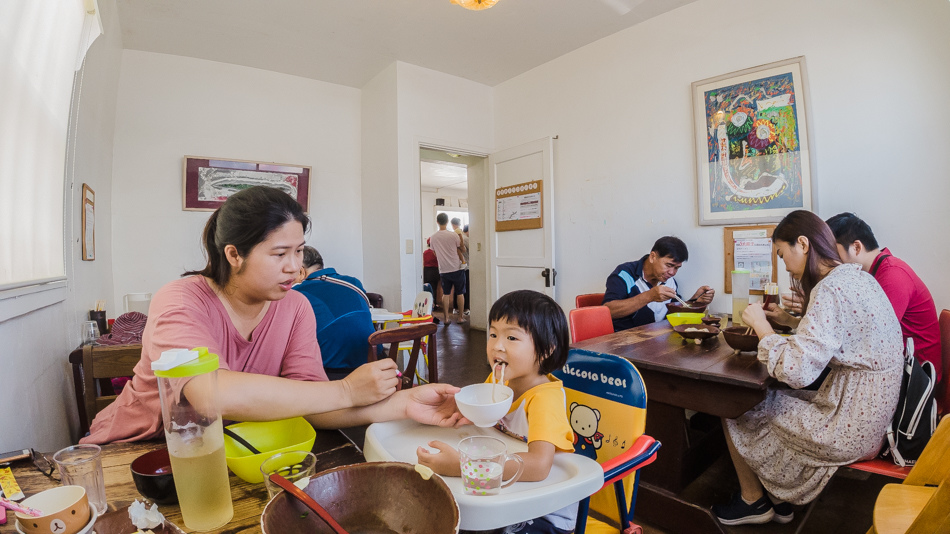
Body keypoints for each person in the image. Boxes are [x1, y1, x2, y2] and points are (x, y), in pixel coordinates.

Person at [81, 186, 465, 444]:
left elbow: (312, 404)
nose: (295, 268)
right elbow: (207, 395)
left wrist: (405, 403)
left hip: (232, 451)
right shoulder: (182, 300)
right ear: (234, 255)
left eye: (300, 252)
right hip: (141, 451)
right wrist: (346, 388)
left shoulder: (295, 306)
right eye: (280, 254)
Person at [712, 210, 903, 526]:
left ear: (802, 243)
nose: (784, 263)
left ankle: (752, 502)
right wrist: (788, 322)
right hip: (872, 419)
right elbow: (835, 338)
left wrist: (761, 326)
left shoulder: (830, 288)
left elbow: (797, 371)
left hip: (849, 426)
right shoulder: (856, 277)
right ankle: (779, 498)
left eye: (782, 253)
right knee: (766, 399)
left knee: (732, 404)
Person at [417, 290, 575, 534]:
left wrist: (464, 467)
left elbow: (539, 466)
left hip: (545, 511)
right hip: (506, 492)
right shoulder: (499, 380)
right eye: (493, 334)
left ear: (546, 350)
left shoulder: (545, 398)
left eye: (511, 338)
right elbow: (487, 426)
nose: (496, 346)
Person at [826, 212, 942, 382]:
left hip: (917, 381)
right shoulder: (873, 273)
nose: (830, 261)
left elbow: (869, 337)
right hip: (894, 368)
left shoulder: (893, 276)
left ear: (856, 247)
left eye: (833, 253)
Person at [293, 246, 375, 380]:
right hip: (371, 361)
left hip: (331, 371)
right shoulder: (354, 282)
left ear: (301, 272)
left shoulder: (299, 293)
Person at [603, 236, 715, 331]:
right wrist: (649, 296)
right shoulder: (625, 274)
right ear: (653, 257)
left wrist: (695, 301)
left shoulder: (669, 280)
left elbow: (675, 311)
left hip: (658, 341)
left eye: (677, 268)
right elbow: (608, 311)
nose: (672, 272)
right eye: (669, 265)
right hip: (625, 345)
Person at [430, 212, 466, 324]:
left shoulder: (433, 237)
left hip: (443, 269)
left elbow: (434, 252)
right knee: (460, 293)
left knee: (446, 294)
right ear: (447, 221)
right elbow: (462, 248)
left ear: (437, 222)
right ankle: (460, 317)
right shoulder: (453, 235)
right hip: (457, 267)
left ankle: (446, 319)